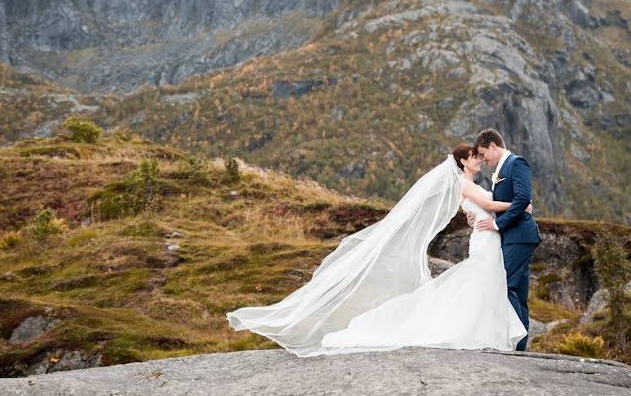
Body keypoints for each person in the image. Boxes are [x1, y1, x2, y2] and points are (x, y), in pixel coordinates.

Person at [226, 144, 529, 357]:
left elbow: (482, 208)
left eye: (479, 157)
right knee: (479, 279)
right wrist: (522, 205)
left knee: (484, 282)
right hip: (485, 239)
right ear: (463, 162)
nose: (478, 161)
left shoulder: (471, 183)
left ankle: (489, 332)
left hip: (489, 237)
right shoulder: (464, 184)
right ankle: (481, 332)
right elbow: (488, 205)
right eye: (474, 158)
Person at [466, 128, 541, 351]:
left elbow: (522, 199)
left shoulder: (516, 163)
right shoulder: (501, 169)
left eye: (484, 154)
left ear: (493, 146)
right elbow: (505, 203)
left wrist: (496, 224)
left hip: (519, 235)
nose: (484, 160)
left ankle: (515, 339)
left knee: (505, 285)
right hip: (514, 236)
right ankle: (520, 345)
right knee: (518, 290)